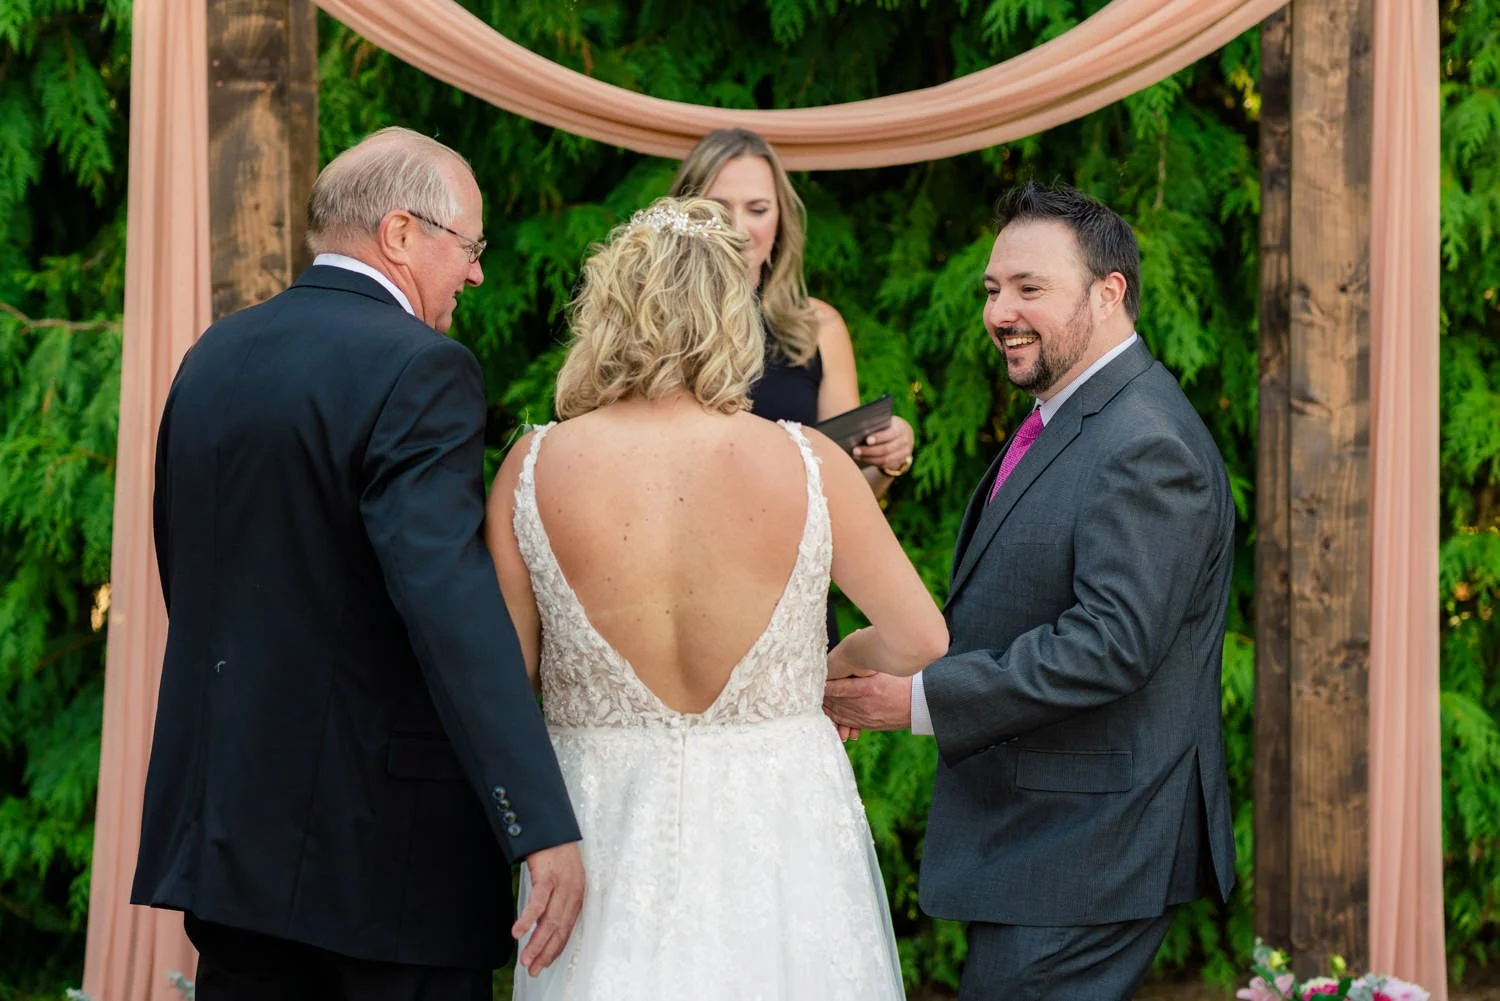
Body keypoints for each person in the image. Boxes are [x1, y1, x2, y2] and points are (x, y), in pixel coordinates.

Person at [133, 127, 585, 1001]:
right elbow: (451, 609)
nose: (477, 273)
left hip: (227, 843)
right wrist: (536, 821)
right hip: (383, 866)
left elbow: (191, 574)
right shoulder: (421, 368)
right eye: (470, 247)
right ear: (401, 233)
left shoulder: (212, 356)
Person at [485, 196, 947, 1000]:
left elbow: (503, 688)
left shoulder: (531, 468)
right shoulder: (808, 463)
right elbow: (919, 638)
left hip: (601, 839)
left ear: (609, 312)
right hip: (783, 835)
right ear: (731, 320)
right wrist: (823, 668)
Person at [824, 181, 1238, 999]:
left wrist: (915, 701)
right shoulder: (1070, 411)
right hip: (1045, 845)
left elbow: (1109, 645)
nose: (999, 311)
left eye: (1028, 289)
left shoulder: (1146, 440)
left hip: (1088, 854)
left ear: (1109, 293)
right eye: (991, 289)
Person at [670, 128, 916, 646]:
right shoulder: (656, 328)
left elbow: (844, 497)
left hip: (792, 607)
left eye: (758, 209)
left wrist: (884, 460)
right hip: (681, 596)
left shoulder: (818, 327)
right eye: (719, 207)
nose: (739, 228)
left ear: (780, 219)